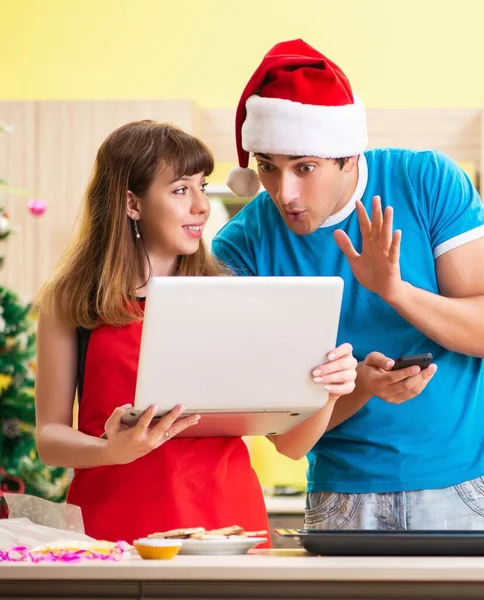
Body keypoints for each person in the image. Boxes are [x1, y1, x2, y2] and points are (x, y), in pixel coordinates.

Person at [212, 39, 484, 531]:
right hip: (343, 498)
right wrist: (361, 385)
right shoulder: (242, 245)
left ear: (349, 157)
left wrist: (395, 290)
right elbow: (285, 438)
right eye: (267, 168)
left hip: (467, 486)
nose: (284, 193)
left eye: (305, 167)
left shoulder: (428, 181)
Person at [34, 120, 357, 543]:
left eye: (202, 186)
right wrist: (108, 451)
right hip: (116, 529)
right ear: (132, 203)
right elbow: (49, 439)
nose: (202, 206)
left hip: (227, 530)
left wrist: (330, 392)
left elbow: (291, 445)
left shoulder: (233, 295)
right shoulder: (73, 301)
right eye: (181, 189)